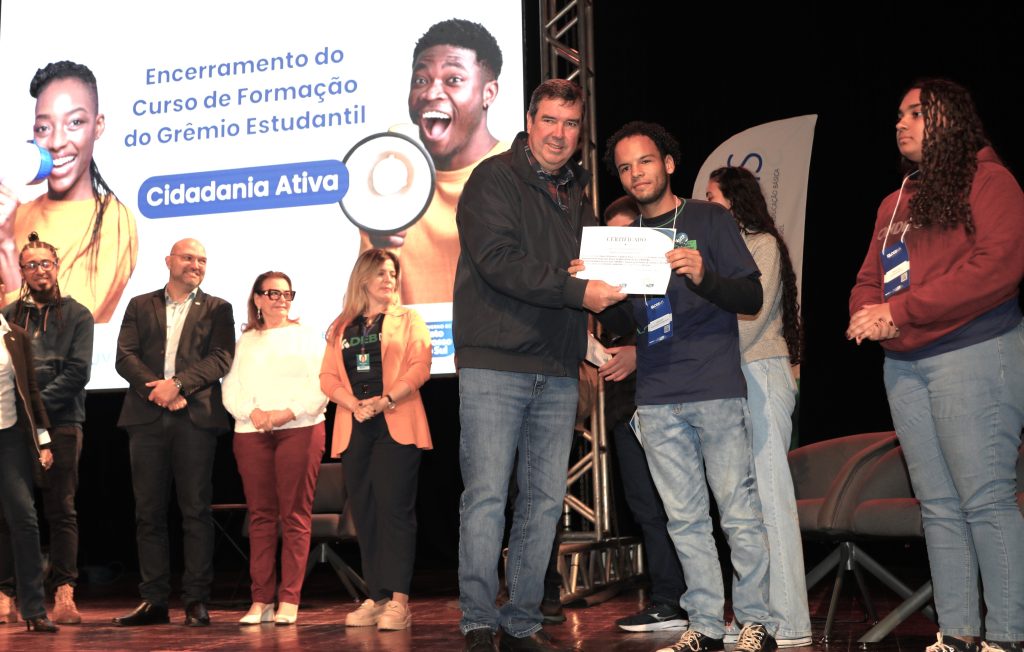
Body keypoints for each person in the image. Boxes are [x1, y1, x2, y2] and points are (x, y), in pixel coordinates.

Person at [584, 121, 776, 652]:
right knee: (684, 519)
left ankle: (757, 622)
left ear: (669, 163)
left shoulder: (709, 219)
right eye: (624, 167)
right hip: (656, 394)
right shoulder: (626, 239)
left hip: (713, 386)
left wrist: (702, 274)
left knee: (737, 512)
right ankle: (707, 626)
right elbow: (629, 317)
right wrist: (592, 292)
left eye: (644, 161)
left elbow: (750, 297)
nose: (634, 173)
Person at [848, 79, 1024, 652]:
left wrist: (898, 311)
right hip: (904, 364)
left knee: (985, 499)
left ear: (951, 120)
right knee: (940, 506)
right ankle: (957, 634)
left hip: (973, 353)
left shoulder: (991, 181)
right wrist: (865, 314)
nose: (902, 123)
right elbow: (868, 278)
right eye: (898, 114)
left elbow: (994, 268)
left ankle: (1006, 636)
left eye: (917, 113)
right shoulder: (895, 201)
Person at [454, 78, 625, 652]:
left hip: (555, 364)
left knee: (545, 500)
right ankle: (479, 619)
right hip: (495, 363)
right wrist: (580, 295)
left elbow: (599, 262)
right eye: (549, 120)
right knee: (485, 496)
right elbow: (500, 262)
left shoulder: (577, 191)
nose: (559, 134)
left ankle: (521, 620)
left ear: (581, 133)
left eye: (571, 124)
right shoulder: (492, 178)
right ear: (530, 121)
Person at [706, 166, 811, 647]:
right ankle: (756, 618)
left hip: (761, 373)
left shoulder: (761, 245)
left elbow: (750, 319)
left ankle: (789, 622)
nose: (705, 205)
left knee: (770, 498)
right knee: (743, 506)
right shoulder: (724, 249)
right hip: (733, 377)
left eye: (712, 197)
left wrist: (699, 350)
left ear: (734, 200)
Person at [113, 238, 234, 627]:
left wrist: (178, 385)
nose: (195, 264)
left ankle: (196, 600)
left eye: (202, 259)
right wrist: (159, 392)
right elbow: (124, 357)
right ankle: (154, 601)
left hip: (194, 419)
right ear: (169, 261)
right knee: (148, 513)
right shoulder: (138, 305)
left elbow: (221, 358)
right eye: (188, 257)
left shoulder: (218, 308)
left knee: (195, 512)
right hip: (146, 419)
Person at [320, 248, 432, 632]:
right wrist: (354, 404)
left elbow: (420, 366)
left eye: (392, 272)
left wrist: (385, 399)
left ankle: (399, 600)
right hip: (356, 425)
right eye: (381, 272)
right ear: (363, 278)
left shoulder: (409, 319)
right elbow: (327, 378)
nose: (389, 278)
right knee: (364, 514)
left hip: (395, 421)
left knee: (394, 512)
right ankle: (376, 596)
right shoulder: (341, 325)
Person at [362, 18, 508, 305]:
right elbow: (366, 310)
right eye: (421, 80)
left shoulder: (515, 172)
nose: (430, 93)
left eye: (453, 80)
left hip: (494, 347)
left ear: (488, 93)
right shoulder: (389, 184)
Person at [595, 197, 689, 634]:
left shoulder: (674, 265)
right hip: (623, 401)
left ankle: (686, 599)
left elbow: (687, 326)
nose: (624, 246)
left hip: (670, 396)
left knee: (679, 504)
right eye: (614, 238)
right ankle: (667, 598)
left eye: (629, 234)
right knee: (645, 505)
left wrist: (639, 353)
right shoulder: (611, 285)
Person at [222, 271, 327, 626]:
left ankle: (289, 600)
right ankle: (260, 600)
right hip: (251, 431)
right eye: (273, 293)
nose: (281, 300)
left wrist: (286, 413)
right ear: (257, 299)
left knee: (294, 516)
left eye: (287, 294)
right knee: (261, 517)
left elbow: (322, 383)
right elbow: (230, 386)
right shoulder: (245, 341)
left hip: (299, 429)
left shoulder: (307, 337)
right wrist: (253, 412)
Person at [0, 233, 94, 625]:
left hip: (62, 422)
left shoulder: (79, 315)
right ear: (21, 272)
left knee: (61, 509)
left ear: (57, 268)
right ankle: (7, 591)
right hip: (14, 427)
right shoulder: (8, 316)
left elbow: (77, 373)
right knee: (12, 512)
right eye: (31, 265)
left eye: (46, 264)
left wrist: (33, 414)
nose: (40, 271)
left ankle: (63, 591)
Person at [0, 60, 138, 323]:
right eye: (44, 127)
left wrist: (6, 247)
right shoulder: (15, 215)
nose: (57, 142)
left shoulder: (114, 220)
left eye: (74, 122)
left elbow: (61, 330)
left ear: (97, 127)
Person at [0, 299, 58, 633]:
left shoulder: (16, 335)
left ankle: (34, 610)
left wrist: (44, 439)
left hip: (10, 438)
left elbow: (30, 390)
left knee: (24, 518)